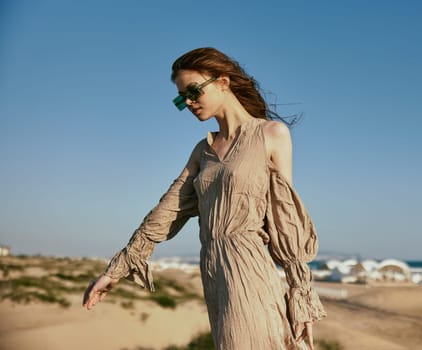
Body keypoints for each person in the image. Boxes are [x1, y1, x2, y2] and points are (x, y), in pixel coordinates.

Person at [82, 47, 326, 350]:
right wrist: (116, 270)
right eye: (180, 98)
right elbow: (167, 210)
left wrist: (300, 294)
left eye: (193, 91)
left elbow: (285, 219)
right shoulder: (202, 150)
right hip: (212, 268)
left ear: (223, 81)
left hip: (247, 267)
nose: (188, 102)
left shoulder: (271, 134)